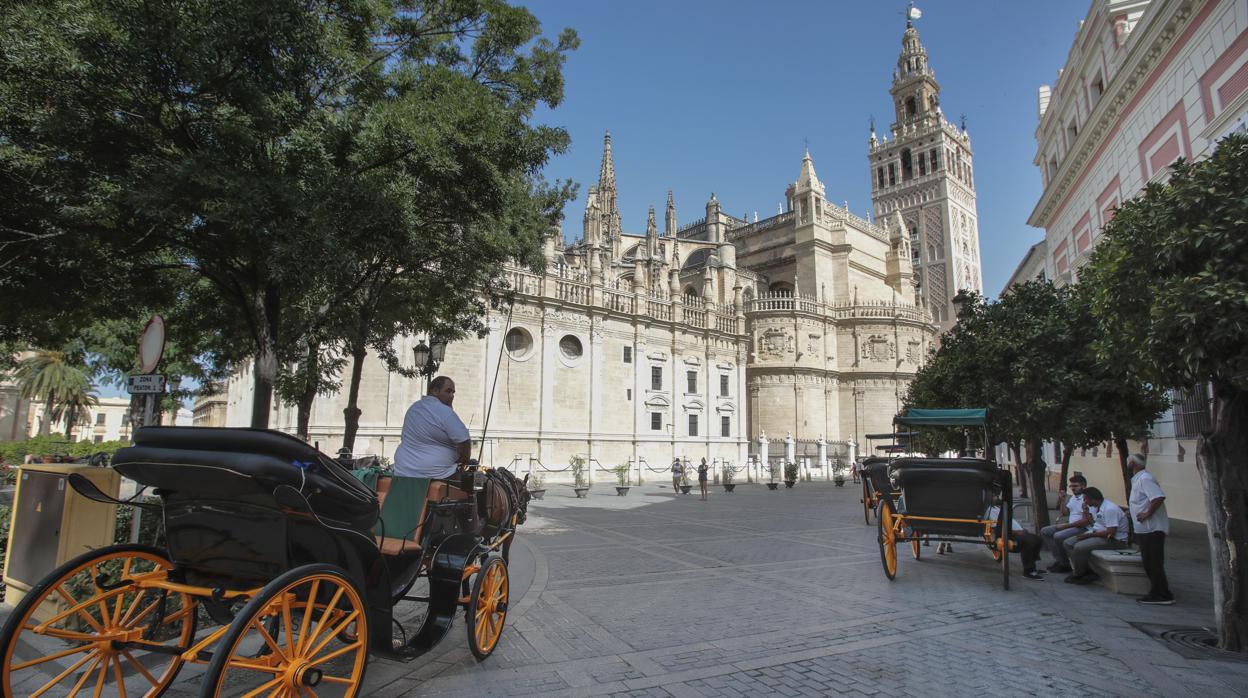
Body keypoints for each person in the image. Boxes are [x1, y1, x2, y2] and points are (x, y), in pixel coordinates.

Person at [393, 376, 471, 480]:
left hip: (403, 468)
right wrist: (464, 461)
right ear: (435, 391)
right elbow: (464, 440)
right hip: (437, 473)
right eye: (448, 391)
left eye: (453, 392)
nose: (452, 396)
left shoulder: (413, 408)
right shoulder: (445, 412)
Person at [1128, 453, 1174, 605]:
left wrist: (1147, 513)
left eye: (1128, 461)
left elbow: (1158, 497)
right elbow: (1141, 501)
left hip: (1152, 529)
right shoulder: (1138, 479)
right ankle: (1157, 591)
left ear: (1132, 463)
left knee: (1154, 562)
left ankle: (1162, 594)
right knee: (1149, 562)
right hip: (1144, 530)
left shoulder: (1145, 479)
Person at [1063, 487, 1129, 584]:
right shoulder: (1098, 507)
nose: (1084, 501)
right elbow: (1096, 524)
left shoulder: (1110, 509)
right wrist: (1086, 513)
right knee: (1068, 543)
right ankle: (1086, 570)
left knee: (1079, 547)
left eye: (1085, 499)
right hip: (1098, 534)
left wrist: (1089, 536)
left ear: (1092, 498)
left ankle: (1079, 574)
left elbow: (1110, 532)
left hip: (1115, 540)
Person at [1042, 474, 1093, 573]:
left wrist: (1065, 525)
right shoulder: (1074, 498)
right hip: (1070, 524)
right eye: (1071, 486)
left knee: (1058, 536)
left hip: (1081, 527)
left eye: (1075, 486)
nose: (1073, 488)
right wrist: (1062, 499)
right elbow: (1065, 513)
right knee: (1045, 531)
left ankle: (1064, 564)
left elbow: (1085, 521)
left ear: (1083, 486)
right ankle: (1059, 560)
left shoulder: (1086, 498)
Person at [987, 500, 1045, 580]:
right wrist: (1017, 532)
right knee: (1028, 542)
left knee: (1038, 539)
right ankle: (1028, 571)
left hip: (1017, 532)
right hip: (1009, 535)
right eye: (994, 496)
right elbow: (996, 528)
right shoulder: (990, 511)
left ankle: (1033, 566)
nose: (996, 497)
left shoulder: (996, 507)